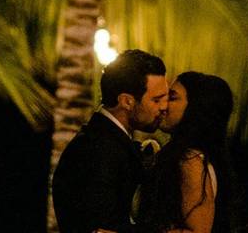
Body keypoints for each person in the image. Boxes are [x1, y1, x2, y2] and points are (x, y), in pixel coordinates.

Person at [52, 49, 169, 233]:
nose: (164, 107)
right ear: (127, 102)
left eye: (167, 98)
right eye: (156, 100)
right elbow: (100, 227)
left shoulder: (106, 140)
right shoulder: (98, 150)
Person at [137, 72, 235, 233]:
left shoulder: (191, 161)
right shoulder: (185, 157)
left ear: (196, 107)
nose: (163, 104)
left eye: (172, 97)